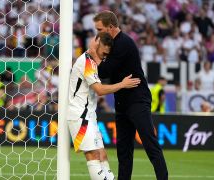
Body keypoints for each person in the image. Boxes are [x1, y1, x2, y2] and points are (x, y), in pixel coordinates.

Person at [89, 10, 168, 180]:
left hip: (137, 101)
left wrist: (94, 52)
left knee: (150, 144)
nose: (97, 33)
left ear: (111, 27)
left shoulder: (124, 44)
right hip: (122, 103)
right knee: (123, 151)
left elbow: (104, 72)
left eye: (99, 29)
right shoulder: (114, 44)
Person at [67, 32, 141, 180]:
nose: (103, 57)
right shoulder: (86, 62)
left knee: (102, 154)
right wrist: (122, 84)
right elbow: (100, 90)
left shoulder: (93, 61)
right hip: (80, 115)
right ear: (96, 43)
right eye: (102, 53)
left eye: (106, 55)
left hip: (89, 115)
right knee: (93, 154)